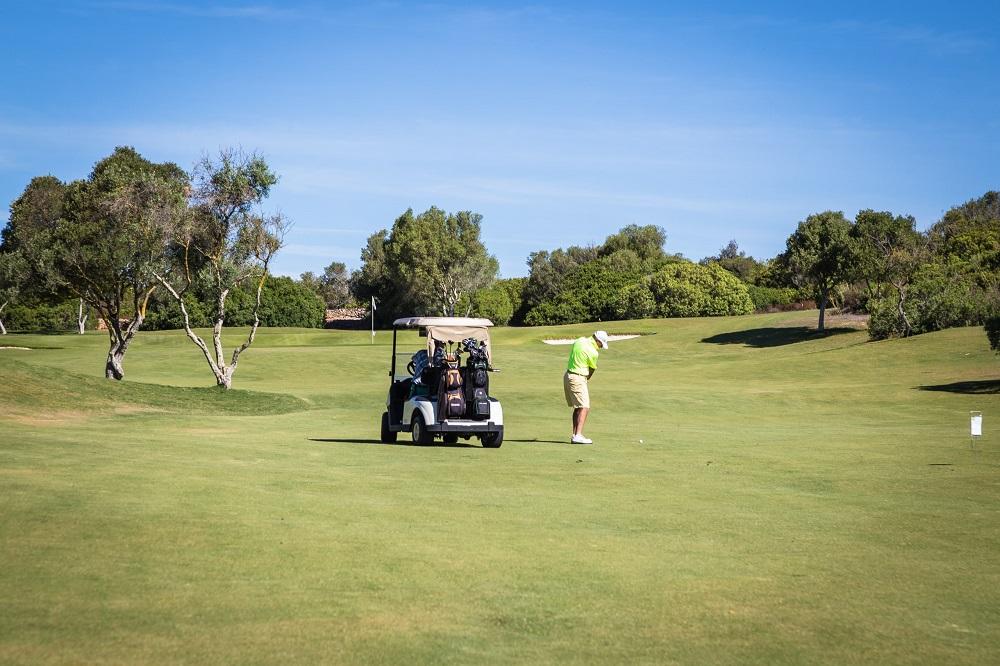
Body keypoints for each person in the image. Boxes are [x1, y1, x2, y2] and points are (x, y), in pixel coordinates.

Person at [564, 330, 609, 444]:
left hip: (568, 375)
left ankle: (575, 435)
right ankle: (578, 435)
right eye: (601, 344)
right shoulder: (593, 352)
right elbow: (591, 370)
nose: (600, 347)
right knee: (585, 407)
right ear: (598, 340)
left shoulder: (579, 340)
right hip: (578, 377)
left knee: (578, 407)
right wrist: (586, 378)